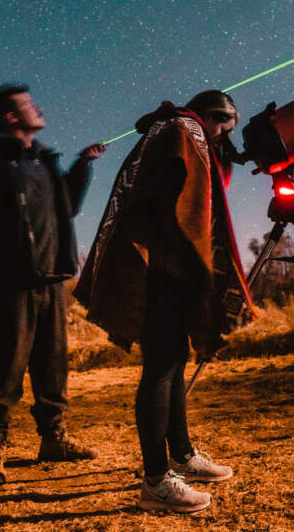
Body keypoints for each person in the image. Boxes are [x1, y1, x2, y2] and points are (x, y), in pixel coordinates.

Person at [76, 90, 254, 514]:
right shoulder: (180, 130)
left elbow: (201, 190)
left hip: (164, 263)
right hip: (161, 267)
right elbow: (178, 205)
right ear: (214, 114)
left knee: (173, 362)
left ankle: (182, 455)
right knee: (162, 368)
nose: (222, 137)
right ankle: (156, 480)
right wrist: (192, 265)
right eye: (223, 127)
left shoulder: (178, 130)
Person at [0, 83, 105, 486]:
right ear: (10, 117)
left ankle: (53, 439)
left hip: (53, 281)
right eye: (28, 105)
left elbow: (68, 209)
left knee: (52, 366)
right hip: (11, 283)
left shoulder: (44, 164)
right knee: (6, 368)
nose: (37, 107)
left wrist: (82, 166)